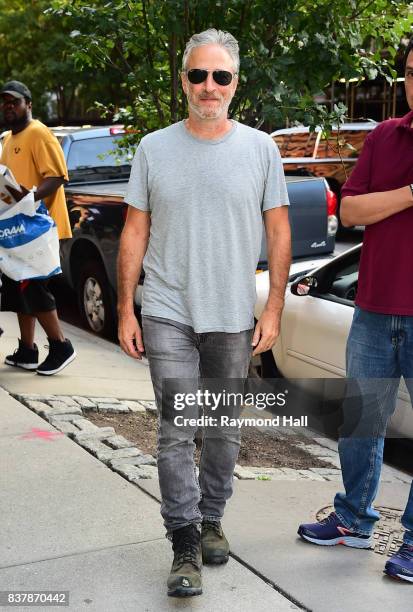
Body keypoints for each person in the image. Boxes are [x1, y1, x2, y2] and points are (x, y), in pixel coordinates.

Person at [118, 29, 291, 597]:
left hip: (233, 315)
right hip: (168, 309)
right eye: (198, 75)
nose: (208, 86)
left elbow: (278, 230)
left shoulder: (261, 149)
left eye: (220, 76)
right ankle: (185, 541)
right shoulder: (153, 148)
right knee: (176, 430)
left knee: (221, 429)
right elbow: (135, 230)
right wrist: (126, 307)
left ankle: (213, 516)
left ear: (235, 84)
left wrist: (274, 307)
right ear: (184, 81)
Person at [298, 40, 413, 583]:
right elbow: (351, 208)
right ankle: (353, 520)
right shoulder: (387, 137)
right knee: (360, 424)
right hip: (373, 310)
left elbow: (371, 206)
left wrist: (388, 199)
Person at [0, 80, 76, 375]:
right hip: (17, 231)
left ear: (28, 104)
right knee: (18, 286)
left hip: (41, 228)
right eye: (5, 101)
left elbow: (57, 176)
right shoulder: (7, 139)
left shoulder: (38, 133)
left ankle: (60, 345)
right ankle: (28, 350)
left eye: (14, 101)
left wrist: (28, 198)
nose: (9, 106)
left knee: (33, 286)